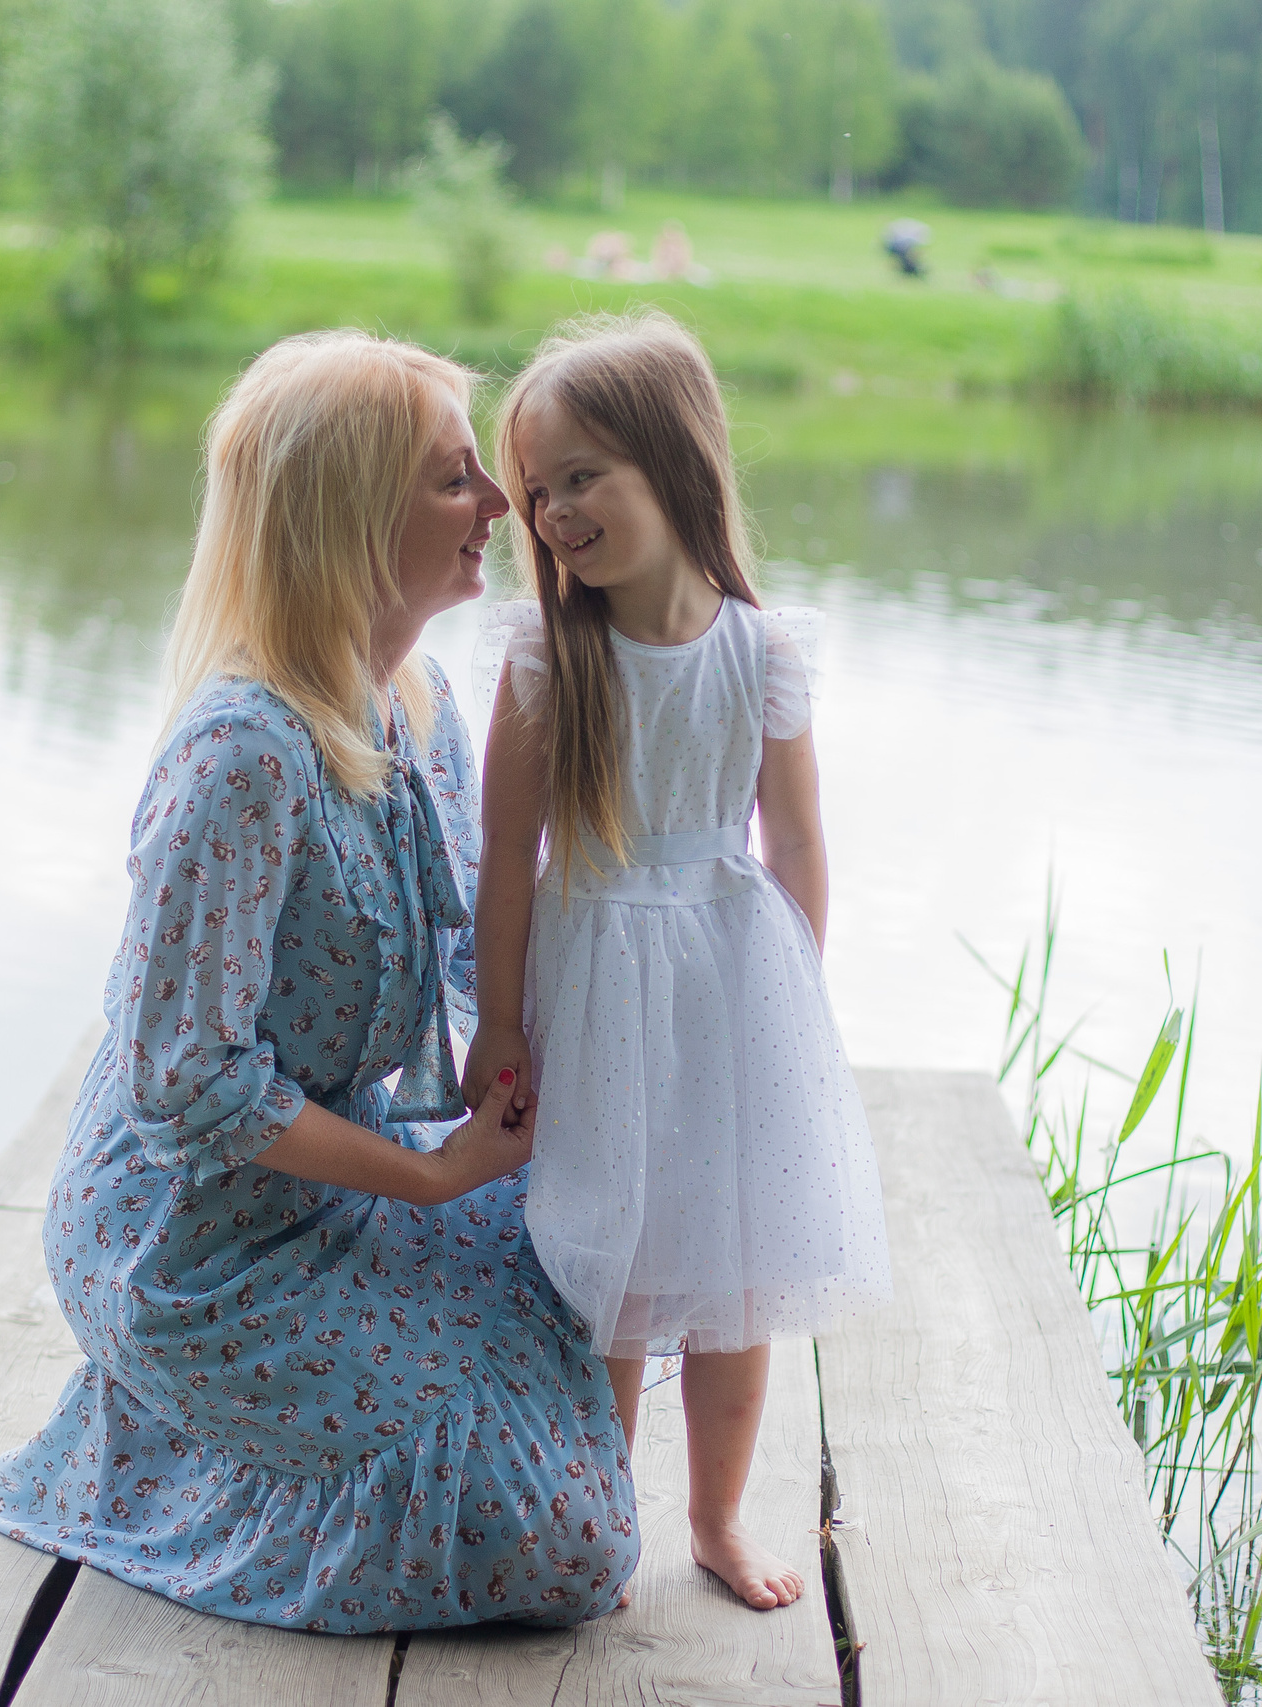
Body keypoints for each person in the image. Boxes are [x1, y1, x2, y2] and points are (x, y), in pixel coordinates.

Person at [0, 331, 638, 1631]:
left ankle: (259, 1433)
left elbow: (466, 946)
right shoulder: (243, 755)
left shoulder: (420, 702)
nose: (504, 509)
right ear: (350, 513)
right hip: (192, 1244)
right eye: (457, 481)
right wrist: (438, 1176)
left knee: (589, 1276)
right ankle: (157, 1432)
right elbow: (186, 1084)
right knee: (560, 1541)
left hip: (342, 1184)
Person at [465, 312, 891, 1612]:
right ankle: (606, 1516)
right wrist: (498, 1028)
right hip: (593, 984)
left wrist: (793, 1001)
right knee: (616, 1268)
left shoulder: (761, 650)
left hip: (728, 984)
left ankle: (714, 1519)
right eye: (536, 491)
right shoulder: (550, 656)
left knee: (731, 1268)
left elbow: (800, 840)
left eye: (582, 476)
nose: (551, 512)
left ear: (674, 463)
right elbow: (504, 859)